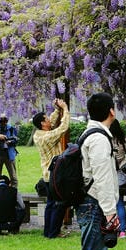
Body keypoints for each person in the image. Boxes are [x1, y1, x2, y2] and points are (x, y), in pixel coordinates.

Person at [72, 92, 125, 250]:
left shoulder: (91, 134)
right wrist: (111, 212)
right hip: (94, 203)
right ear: (111, 111)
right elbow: (102, 179)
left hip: (92, 202)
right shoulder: (99, 139)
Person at [33, 98, 72, 238]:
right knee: (59, 204)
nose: (49, 120)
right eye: (46, 119)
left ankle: (48, 232)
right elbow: (63, 127)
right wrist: (65, 109)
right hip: (55, 175)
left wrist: (57, 109)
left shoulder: (38, 135)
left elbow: (53, 122)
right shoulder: (47, 137)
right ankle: (54, 232)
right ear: (43, 123)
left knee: (51, 204)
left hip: (47, 175)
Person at [111, 121, 126, 238]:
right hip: (122, 172)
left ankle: (111, 228)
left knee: (109, 203)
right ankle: (122, 231)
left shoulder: (105, 139)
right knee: (120, 202)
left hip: (109, 173)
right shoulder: (122, 139)